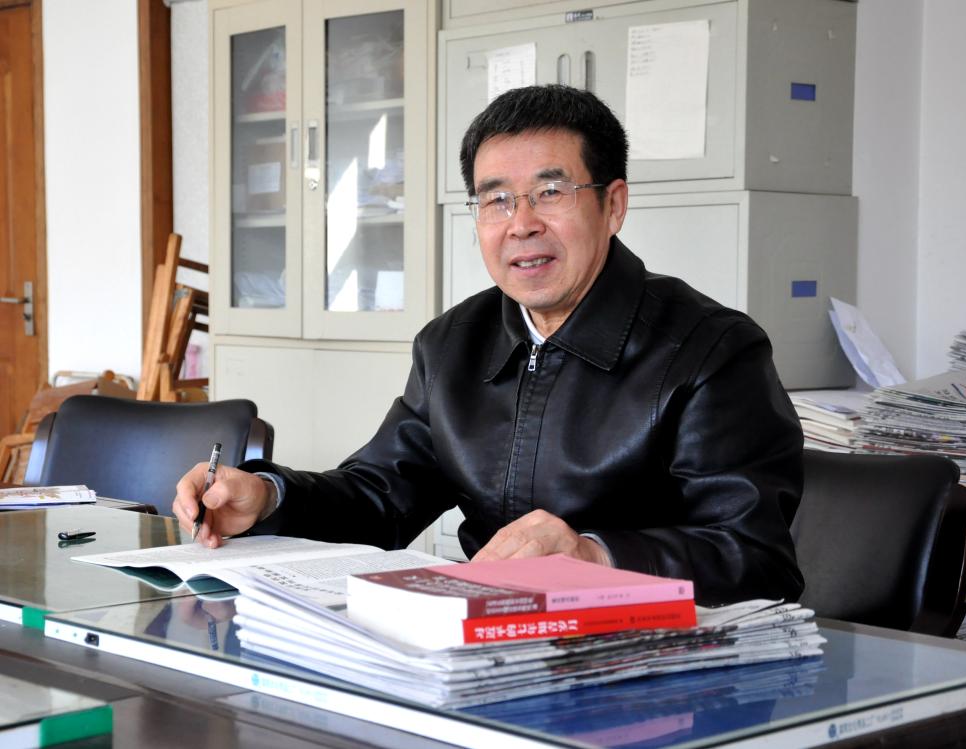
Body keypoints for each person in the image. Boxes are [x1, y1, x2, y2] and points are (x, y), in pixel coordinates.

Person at [174, 85, 804, 605]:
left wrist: (593, 557)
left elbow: (756, 558)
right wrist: (268, 497)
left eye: (551, 193)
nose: (521, 223)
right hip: (485, 641)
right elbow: (380, 497)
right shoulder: (452, 344)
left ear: (613, 205)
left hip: (647, 660)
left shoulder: (711, 349)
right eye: (496, 200)